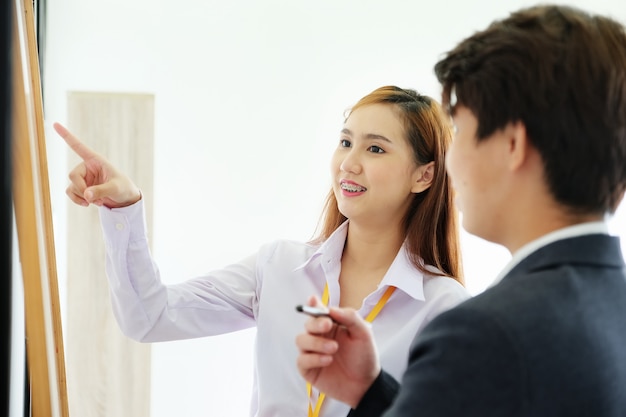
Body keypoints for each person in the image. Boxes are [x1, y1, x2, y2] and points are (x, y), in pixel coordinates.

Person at [55, 85, 470, 417]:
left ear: (424, 175)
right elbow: (149, 317)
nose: (349, 163)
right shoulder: (280, 267)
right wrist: (123, 207)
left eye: (375, 148)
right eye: (345, 142)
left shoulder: (443, 308)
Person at [295, 4, 626, 417]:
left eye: (461, 133)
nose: (450, 166)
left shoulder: (481, 334)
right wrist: (372, 393)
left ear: (512, 145)